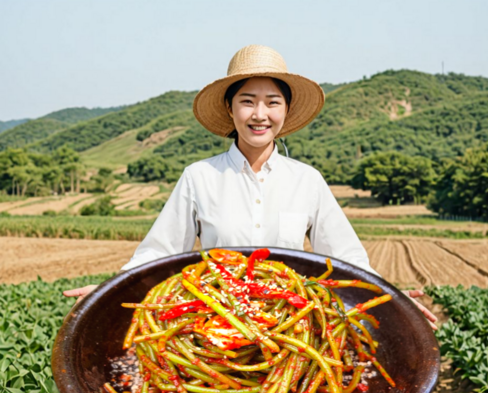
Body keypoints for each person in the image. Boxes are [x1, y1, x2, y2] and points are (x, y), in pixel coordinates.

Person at [63, 44, 437, 329]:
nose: (260, 114)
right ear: (230, 109)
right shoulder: (200, 177)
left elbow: (347, 258)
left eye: (272, 102)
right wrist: (109, 290)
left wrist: (389, 296)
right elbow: (159, 252)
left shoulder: (307, 180)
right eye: (247, 101)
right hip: (212, 329)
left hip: (293, 329)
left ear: (286, 111)